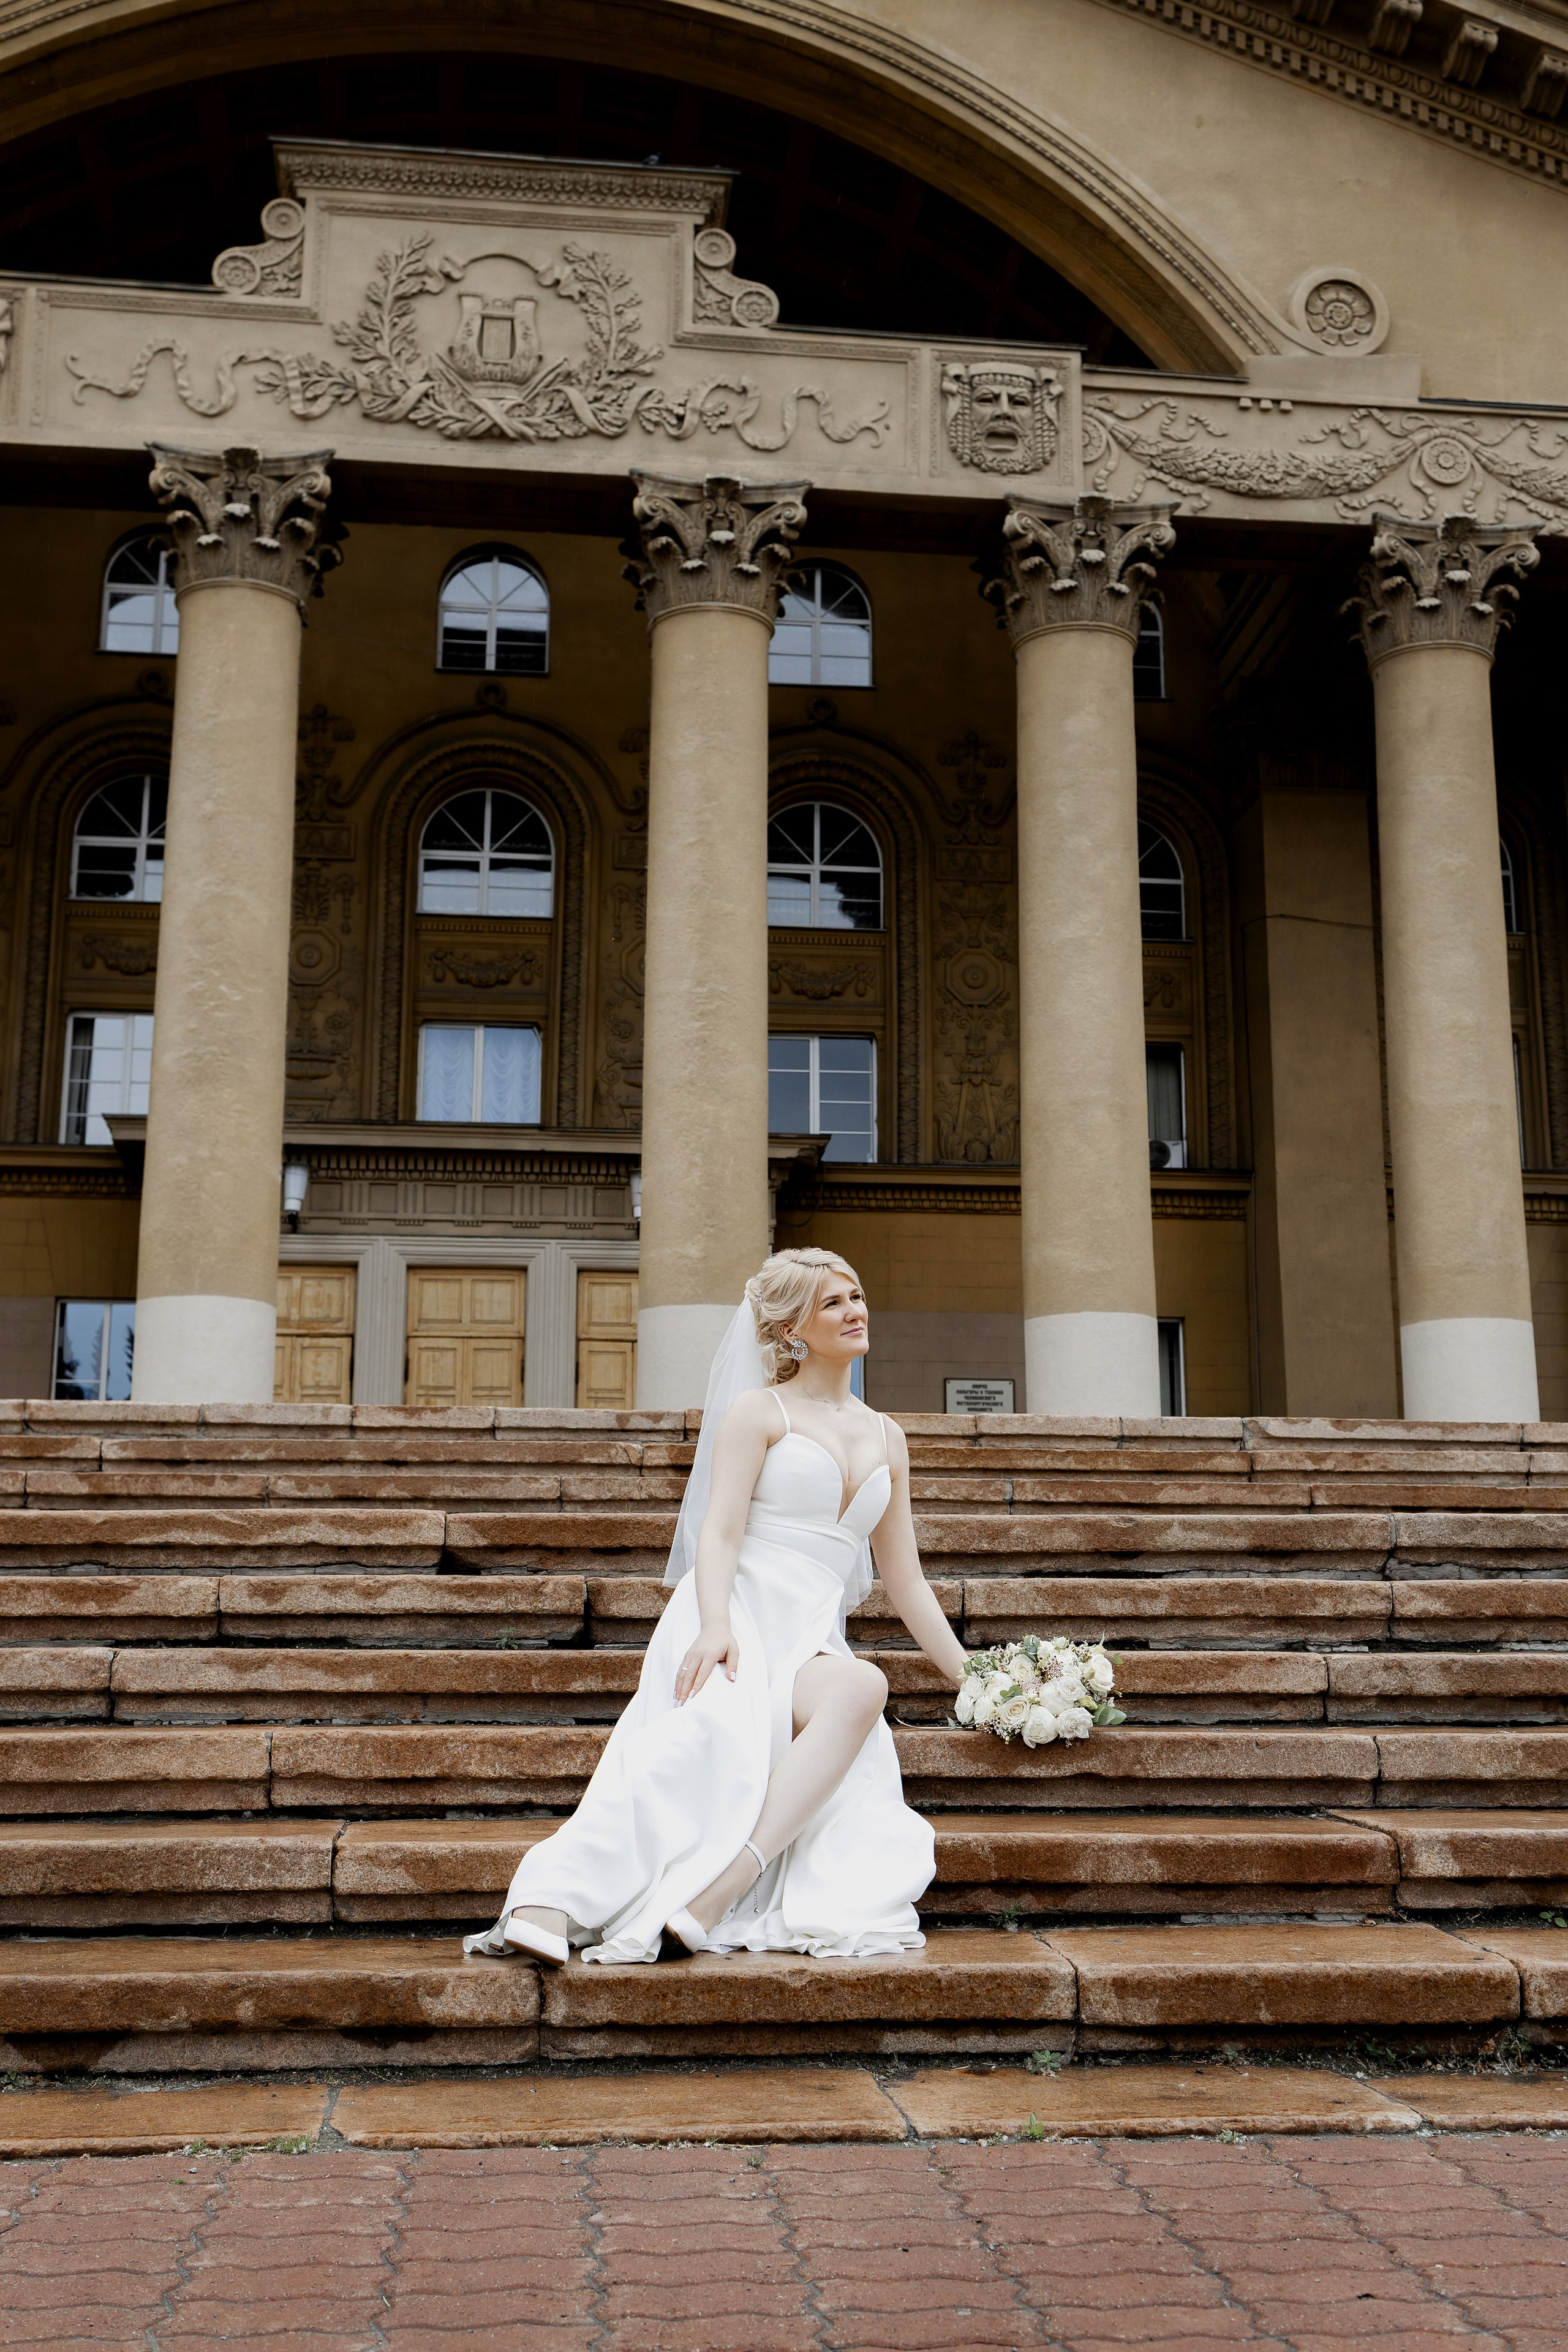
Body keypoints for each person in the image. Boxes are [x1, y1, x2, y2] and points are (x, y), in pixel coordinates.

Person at [464, 1246, 970, 1966]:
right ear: (791, 1327)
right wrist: (714, 1627)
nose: (854, 1311)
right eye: (832, 1303)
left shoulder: (887, 1435)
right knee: (698, 1739)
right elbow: (721, 1529)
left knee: (862, 1684)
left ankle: (723, 1887)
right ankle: (547, 1899)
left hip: (811, 1638)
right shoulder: (759, 1412)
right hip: (735, 1615)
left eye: (855, 1296)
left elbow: (907, 1579)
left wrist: (978, 1682)